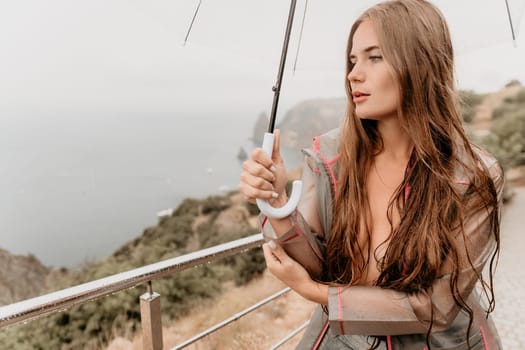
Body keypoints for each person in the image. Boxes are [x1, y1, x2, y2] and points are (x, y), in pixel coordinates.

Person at [239, 0, 503, 349]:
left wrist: (312, 292)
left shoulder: (474, 178)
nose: (353, 74)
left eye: (374, 57)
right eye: (352, 60)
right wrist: (277, 203)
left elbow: (436, 307)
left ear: (420, 63)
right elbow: (320, 263)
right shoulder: (331, 158)